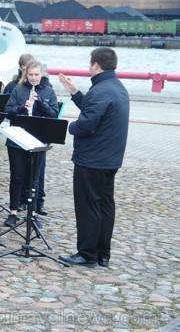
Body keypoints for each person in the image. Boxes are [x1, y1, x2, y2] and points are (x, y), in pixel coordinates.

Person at [58, 48, 129, 268]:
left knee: (89, 207)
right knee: (106, 205)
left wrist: (70, 126)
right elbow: (95, 109)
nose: (89, 67)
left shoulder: (100, 91)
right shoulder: (116, 88)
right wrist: (75, 92)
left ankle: (87, 254)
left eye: (90, 64)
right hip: (110, 160)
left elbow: (87, 124)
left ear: (96, 64)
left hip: (92, 160)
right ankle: (102, 253)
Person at [3, 60, 59, 228]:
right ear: (25, 74)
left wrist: (41, 103)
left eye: (36, 75)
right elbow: (7, 112)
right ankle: (13, 212)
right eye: (31, 75)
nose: (34, 78)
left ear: (41, 75)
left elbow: (54, 115)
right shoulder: (18, 90)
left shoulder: (49, 91)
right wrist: (22, 107)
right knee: (17, 176)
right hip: (17, 140)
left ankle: (32, 213)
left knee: (34, 178)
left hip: (38, 140)